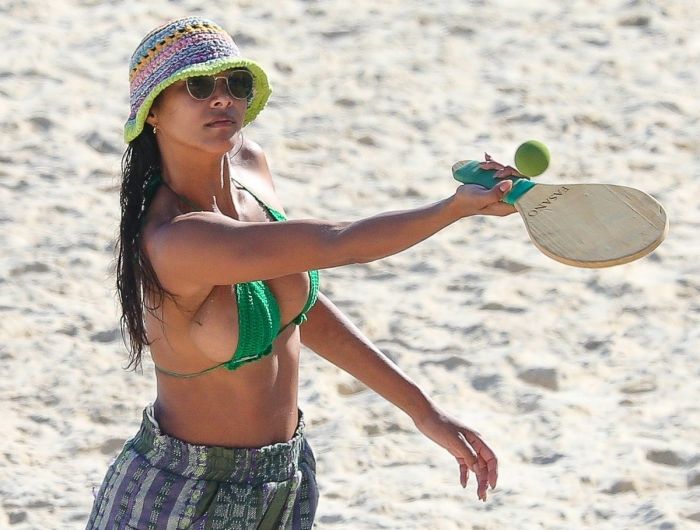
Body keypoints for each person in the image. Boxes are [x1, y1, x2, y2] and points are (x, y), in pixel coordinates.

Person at [86, 16, 518, 530]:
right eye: (198, 85)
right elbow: (340, 242)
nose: (222, 98)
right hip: (182, 496)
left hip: (286, 482)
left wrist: (422, 409)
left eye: (235, 83)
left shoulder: (251, 170)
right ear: (154, 111)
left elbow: (296, 310)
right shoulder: (177, 238)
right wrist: (454, 208)